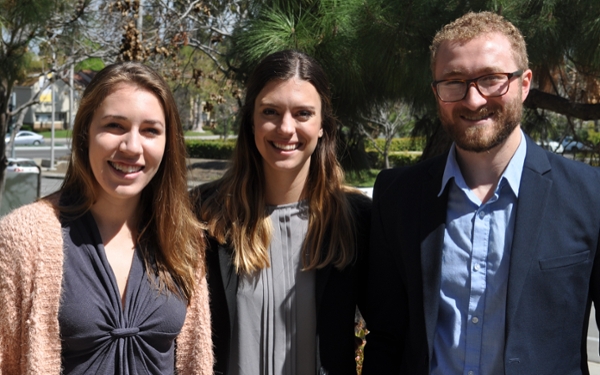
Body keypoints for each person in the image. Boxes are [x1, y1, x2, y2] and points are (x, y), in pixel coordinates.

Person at [362, 11, 600, 375]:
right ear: (436, 93)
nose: (473, 100)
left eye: (491, 79)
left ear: (524, 83)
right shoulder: (397, 197)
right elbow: (386, 337)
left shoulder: (589, 195)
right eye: (453, 81)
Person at [0, 62, 213, 374]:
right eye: (115, 125)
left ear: (168, 144)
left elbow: (195, 359)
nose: (131, 146)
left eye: (151, 130)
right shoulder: (23, 237)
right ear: (86, 132)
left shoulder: (184, 236)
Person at [193, 49, 371, 375]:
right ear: (251, 121)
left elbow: (394, 331)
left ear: (322, 126)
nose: (286, 128)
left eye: (303, 113)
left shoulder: (357, 219)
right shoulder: (204, 214)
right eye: (271, 111)